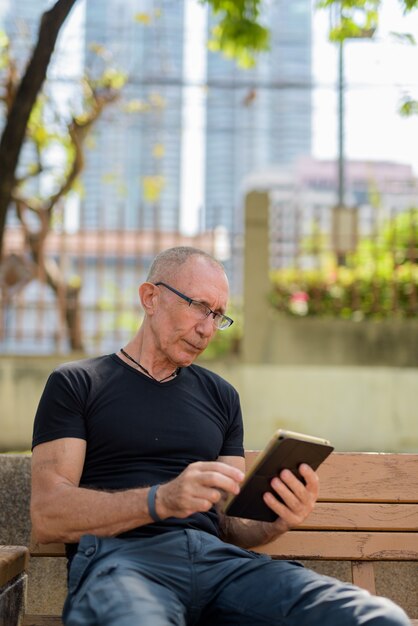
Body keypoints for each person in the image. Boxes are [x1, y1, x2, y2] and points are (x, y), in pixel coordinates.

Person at [31, 246, 410, 626]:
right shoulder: (78, 384)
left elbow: (230, 522)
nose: (208, 329)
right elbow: (48, 514)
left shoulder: (221, 396)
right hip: (124, 564)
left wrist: (275, 520)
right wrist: (161, 499)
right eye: (199, 306)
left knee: (376, 617)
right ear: (151, 297)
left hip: (220, 567)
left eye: (218, 316)